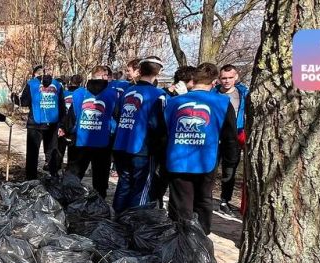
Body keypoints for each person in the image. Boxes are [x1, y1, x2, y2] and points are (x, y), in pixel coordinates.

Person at [162, 63, 239, 234]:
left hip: (178, 159)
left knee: (180, 203)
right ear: (213, 82)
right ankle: (200, 239)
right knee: (203, 200)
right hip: (207, 159)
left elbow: (164, 131)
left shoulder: (173, 102)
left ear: (193, 80)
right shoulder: (223, 103)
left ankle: (180, 239)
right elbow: (230, 136)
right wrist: (231, 162)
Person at [112, 56, 167, 212]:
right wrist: (160, 147)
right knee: (141, 188)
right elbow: (158, 124)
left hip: (121, 144)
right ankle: (135, 222)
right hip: (142, 148)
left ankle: (118, 216)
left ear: (140, 70)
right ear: (158, 72)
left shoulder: (128, 91)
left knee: (124, 183)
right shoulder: (158, 95)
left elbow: (116, 114)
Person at [62, 65, 119, 199]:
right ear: (104, 76)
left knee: (74, 175)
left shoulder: (78, 93)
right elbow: (116, 119)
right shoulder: (113, 94)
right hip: (103, 142)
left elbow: (71, 118)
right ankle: (99, 206)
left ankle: (69, 201)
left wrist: (67, 132)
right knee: (100, 178)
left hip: (81, 141)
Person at [18, 65, 66, 180]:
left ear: (36, 74)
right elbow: (62, 106)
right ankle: (54, 177)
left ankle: (31, 180)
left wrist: (16, 99)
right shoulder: (57, 85)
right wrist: (61, 125)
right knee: (51, 152)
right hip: (52, 124)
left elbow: (24, 102)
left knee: (32, 154)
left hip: (35, 124)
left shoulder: (32, 84)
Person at [213, 64, 250, 214]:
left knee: (229, 172)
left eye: (230, 78)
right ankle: (203, 199)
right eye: (224, 78)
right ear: (219, 79)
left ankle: (224, 201)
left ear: (236, 77)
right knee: (210, 170)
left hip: (234, 137)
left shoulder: (243, 94)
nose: (227, 81)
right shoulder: (213, 93)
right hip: (214, 136)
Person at [60, 74, 84, 168]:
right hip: (75, 125)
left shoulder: (64, 93)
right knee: (73, 151)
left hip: (63, 123)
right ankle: (70, 170)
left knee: (60, 148)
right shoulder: (83, 94)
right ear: (81, 82)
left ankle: (56, 170)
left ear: (70, 81)